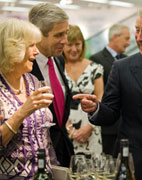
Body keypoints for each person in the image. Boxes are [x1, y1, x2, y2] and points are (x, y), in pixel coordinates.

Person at [73, 4, 142, 180]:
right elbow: (110, 112)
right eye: (136, 30)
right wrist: (95, 108)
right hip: (134, 162)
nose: (138, 38)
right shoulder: (122, 68)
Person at [0, 18, 58, 179]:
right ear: (13, 48)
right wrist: (23, 111)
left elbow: (43, 135)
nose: (37, 51)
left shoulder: (32, 80)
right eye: (31, 45)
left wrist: (54, 165)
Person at [29, 3, 74, 167]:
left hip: (63, 150)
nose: (66, 41)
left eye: (66, 33)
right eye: (58, 35)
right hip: (38, 157)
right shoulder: (25, 67)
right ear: (38, 35)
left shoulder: (58, 59)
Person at [90, 24, 130, 155]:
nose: (129, 43)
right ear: (115, 37)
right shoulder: (96, 59)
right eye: (126, 38)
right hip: (108, 127)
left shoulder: (127, 59)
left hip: (125, 126)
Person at [64, 25, 104, 155]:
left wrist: (89, 127)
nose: (74, 49)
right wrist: (70, 129)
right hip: (65, 130)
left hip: (91, 128)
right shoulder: (57, 69)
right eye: (69, 45)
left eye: (77, 44)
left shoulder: (95, 68)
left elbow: (100, 96)